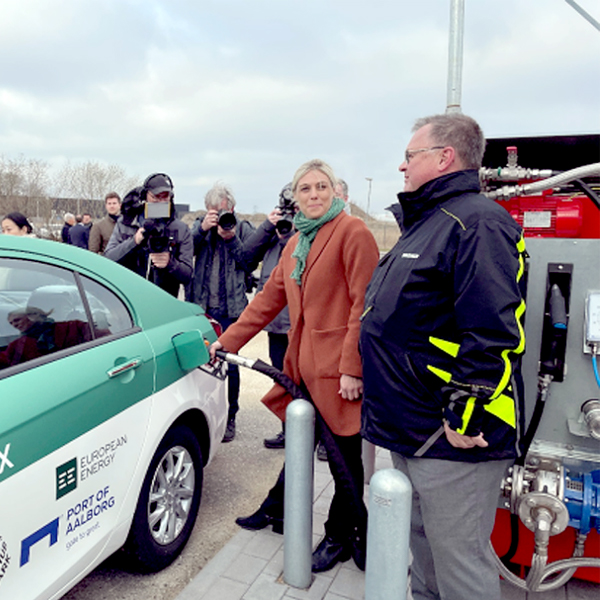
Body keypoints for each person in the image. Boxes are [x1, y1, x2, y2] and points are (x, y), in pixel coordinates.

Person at [359, 113, 526, 600]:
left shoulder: (477, 222)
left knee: (460, 567)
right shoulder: (427, 223)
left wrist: (464, 415)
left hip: (452, 436)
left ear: (444, 157)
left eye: (410, 156)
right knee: (425, 554)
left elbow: (493, 329)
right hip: (412, 427)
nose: (402, 167)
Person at [210, 159, 379, 573]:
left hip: (340, 375)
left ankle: (344, 535)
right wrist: (223, 342)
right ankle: (342, 530)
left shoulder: (352, 232)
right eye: (306, 189)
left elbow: (364, 305)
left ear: (336, 192)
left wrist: (352, 368)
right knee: (311, 450)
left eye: (322, 187)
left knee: (345, 460)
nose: (315, 195)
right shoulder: (294, 244)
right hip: (302, 371)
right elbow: (266, 303)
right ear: (295, 197)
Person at [188, 183, 255, 442]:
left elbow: (249, 261)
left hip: (231, 309)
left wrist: (232, 237)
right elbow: (185, 252)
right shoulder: (199, 226)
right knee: (202, 364)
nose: (219, 216)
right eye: (214, 211)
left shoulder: (243, 228)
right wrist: (202, 228)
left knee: (231, 365)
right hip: (203, 307)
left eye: (223, 210)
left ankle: (231, 417)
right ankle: (205, 413)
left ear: (233, 208)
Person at [243, 183, 296, 450]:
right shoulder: (271, 233)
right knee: (281, 377)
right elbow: (245, 258)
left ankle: (321, 438)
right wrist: (267, 227)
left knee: (311, 380)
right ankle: (288, 429)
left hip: (299, 323)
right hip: (276, 324)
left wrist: (293, 234)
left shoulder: (307, 231)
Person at [104, 173, 193, 297]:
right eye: (156, 197)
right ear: (145, 196)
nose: (161, 201)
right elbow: (108, 259)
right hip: (130, 299)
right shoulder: (126, 223)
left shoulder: (180, 229)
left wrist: (170, 263)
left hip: (165, 301)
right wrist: (134, 241)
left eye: (165, 197)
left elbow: (187, 275)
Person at [0, 306, 91, 368]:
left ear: (33, 315)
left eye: (17, 320)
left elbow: (100, 335)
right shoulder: (17, 345)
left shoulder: (72, 326)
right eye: (11, 323)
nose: (14, 325)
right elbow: (5, 360)